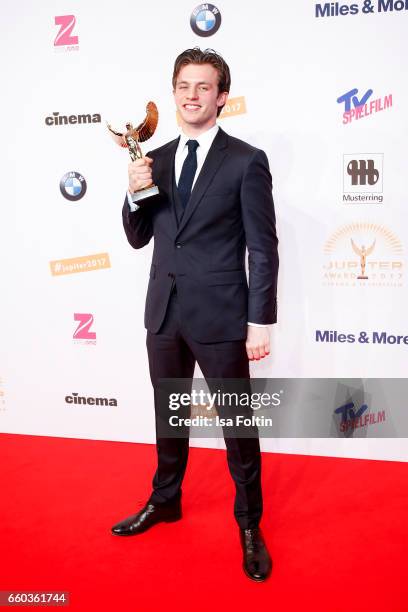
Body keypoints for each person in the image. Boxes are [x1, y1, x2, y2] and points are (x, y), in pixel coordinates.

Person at [111, 47, 279, 582]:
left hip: (223, 314)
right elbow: (139, 238)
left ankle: (249, 524)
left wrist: (260, 320)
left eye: (202, 86)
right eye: (183, 84)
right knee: (170, 415)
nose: (190, 94)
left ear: (221, 97)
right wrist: (133, 193)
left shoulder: (246, 160)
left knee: (237, 425)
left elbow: (264, 247)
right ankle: (166, 500)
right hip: (163, 312)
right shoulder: (153, 158)